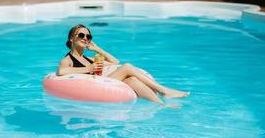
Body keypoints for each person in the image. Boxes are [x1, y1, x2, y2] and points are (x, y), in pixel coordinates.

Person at [57, 24, 189, 105]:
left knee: (132, 80)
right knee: (127, 66)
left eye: (88, 36)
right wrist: (88, 68)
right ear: (71, 38)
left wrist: (97, 49)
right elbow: (61, 71)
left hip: (101, 82)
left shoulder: (90, 58)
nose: (85, 38)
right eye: (81, 35)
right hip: (97, 86)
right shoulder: (68, 59)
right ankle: (164, 90)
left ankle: (160, 104)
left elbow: (115, 62)